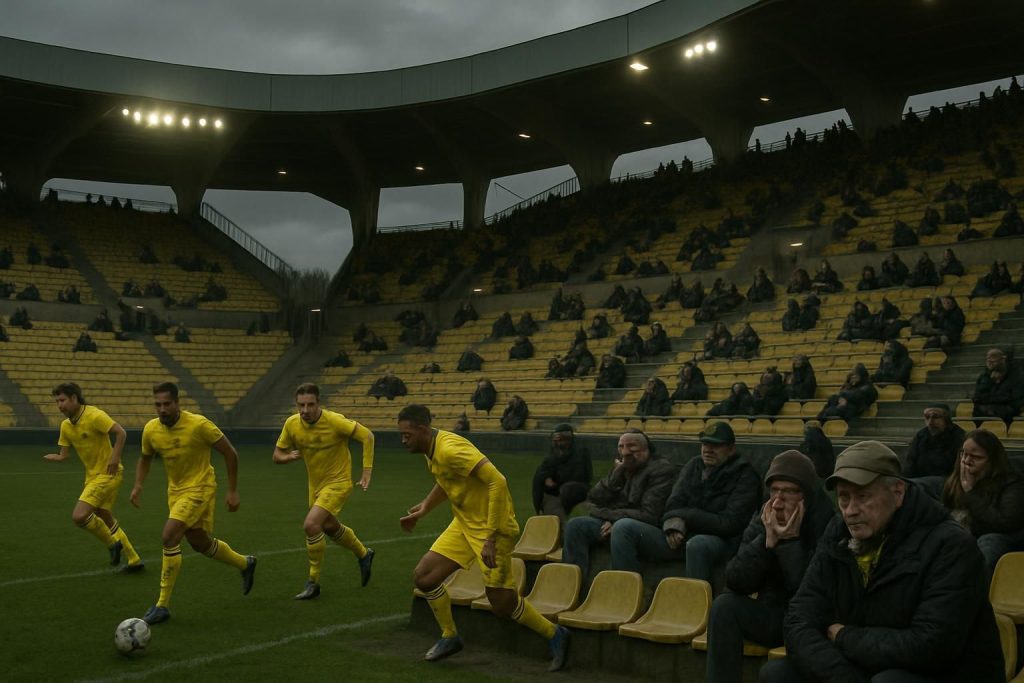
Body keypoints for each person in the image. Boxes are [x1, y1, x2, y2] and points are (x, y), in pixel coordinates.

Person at [760, 441, 1004, 683]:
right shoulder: (838, 532)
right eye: (844, 498)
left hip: (947, 673)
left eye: (863, 496)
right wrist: (843, 677)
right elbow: (798, 619)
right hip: (864, 665)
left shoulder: (950, 545)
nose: (850, 511)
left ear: (897, 493)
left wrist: (844, 636)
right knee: (778, 674)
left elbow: (932, 646)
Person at [396, 405, 571, 669]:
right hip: (464, 524)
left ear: (422, 430)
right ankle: (450, 636)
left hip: (494, 529)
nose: (403, 440)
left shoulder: (450, 449)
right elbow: (447, 479)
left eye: (407, 435)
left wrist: (490, 537)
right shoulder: (431, 449)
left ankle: (555, 633)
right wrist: (424, 508)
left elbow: (498, 481)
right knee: (424, 577)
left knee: (501, 604)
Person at [131, 382, 256, 625]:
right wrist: (138, 484)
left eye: (167, 404)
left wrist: (232, 491)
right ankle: (245, 563)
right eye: (158, 405)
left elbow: (230, 453)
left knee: (169, 536)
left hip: (200, 488)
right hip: (175, 492)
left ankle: (162, 605)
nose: (162, 409)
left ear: (178, 403)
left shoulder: (199, 425)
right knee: (199, 543)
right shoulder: (151, 429)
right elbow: (145, 457)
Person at [706, 451, 833, 683]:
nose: (778, 501)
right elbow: (735, 580)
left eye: (790, 492)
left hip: (811, 624)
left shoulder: (826, 521)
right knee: (724, 606)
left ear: (806, 495)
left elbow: (810, 592)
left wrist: (791, 543)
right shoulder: (764, 518)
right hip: (774, 615)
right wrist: (766, 543)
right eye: (774, 490)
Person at [273, 383, 375, 600]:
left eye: (310, 404)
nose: (305, 410)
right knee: (328, 526)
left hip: (338, 483)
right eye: (301, 405)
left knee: (311, 525)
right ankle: (364, 554)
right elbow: (277, 455)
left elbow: (367, 436)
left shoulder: (334, 421)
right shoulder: (292, 424)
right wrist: (288, 457)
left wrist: (366, 471)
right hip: (315, 486)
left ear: (319, 403)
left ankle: (313, 582)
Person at [42, 383, 144, 573]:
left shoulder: (94, 415)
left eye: (62, 400)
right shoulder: (65, 425)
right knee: (105, 517)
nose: (59, 405)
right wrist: (56, 457)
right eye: (57, 401)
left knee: (79, 516)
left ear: (74, 398)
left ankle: (113, 545)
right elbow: (64, 454)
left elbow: (121, 433)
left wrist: (114, 457)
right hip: (92, 477)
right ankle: (134, 559)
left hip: (108, 474)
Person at [654, 422, 762, 582]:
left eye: (716, 445)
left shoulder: (746, 475)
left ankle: (697, 603)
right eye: (705, 444)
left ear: (731, 449)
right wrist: (673, 524)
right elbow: (672, 505)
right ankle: (623, 594)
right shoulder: (694, 465)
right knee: (626, 528)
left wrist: (684, 517)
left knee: (697, 544)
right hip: (681, 535)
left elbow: (730, 524)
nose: (708, 450)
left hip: (722, 542)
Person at [562, 430, 678, 577]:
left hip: (651, 529)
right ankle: (572, 584)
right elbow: (594, 498)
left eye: (632, 446)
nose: (625, 452)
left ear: (646, 449)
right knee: (575, 525)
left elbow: (650, 514)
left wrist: (612, 519)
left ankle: (624, 589)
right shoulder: (623, 468)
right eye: (621, 447)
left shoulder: (661, 470)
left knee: (622, 527)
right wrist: (616, 476)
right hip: (617, 520)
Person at [942, 429, 1024, 579]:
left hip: (1001, 537)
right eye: (964, 454)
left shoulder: (1012, 483)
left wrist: (971, 493)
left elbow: (1004, 522)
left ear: (993, 460)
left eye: (976, 457)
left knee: (988, 542)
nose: (966, 461)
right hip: (965, 535)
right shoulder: (955, 480)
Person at [531, 424, 592, 523]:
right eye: (557, 439)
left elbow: (581, 476)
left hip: (574, 489)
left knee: (567, 490)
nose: (559, 442)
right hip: (555, 491)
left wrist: (557, 481)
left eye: (562, 439)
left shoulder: (580, 452)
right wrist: (546, 478)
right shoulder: (554, 453)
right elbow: (543, 470)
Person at [903, 405, 965, 479]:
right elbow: (910, 463)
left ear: (946, 419)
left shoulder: (959, 436)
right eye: (927, 417)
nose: (930, 422)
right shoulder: (921, 435)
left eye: (936, 417)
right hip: (921, 483)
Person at [972, 348, 1023, 423]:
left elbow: (1016, 399)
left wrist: (991, 400)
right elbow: (977, 397)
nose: (989, 361)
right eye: (988, 358)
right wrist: (991, 381)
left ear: (1003, 359)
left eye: (994, 357)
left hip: (1008, 413)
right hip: (986, 410)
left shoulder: (1016, 375)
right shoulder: (984, 376)